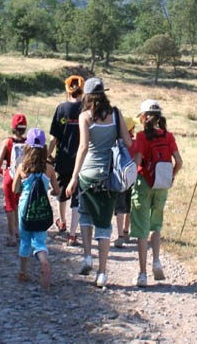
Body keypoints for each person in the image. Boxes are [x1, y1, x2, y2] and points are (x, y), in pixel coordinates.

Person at [66, 77, 133, 287]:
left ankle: (87, 256)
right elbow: (128, 141)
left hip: (88, 174)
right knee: (104, 224)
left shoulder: (85, 116)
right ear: (104, 94)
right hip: (109, 176)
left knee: (85, 216)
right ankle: (102, 273)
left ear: (86, 96)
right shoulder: (116, 114)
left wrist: (74, 176)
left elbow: (84, 147)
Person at [130, 99, 183, 287]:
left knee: (141, 229)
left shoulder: (143, 137)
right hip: (162, 185)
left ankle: (143, 273)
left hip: (144, 183)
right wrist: (170, 178)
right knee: (156, 225)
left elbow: (137, 162)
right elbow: (179, 162)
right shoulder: (168, 136)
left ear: (144, 117)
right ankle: (157, 261)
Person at [13, 128, 60, 289]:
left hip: (25, 207)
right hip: (41, 208)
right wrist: (51, 190)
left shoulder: (22, 167)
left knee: (25, 240)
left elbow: (14, 189)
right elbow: (57, 191)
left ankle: (23, 272)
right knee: (39, 241)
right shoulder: (49, 169)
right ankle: (44, 261)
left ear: (27, 146)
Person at [48, 75, 85, 247]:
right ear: (82, 90)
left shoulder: (61, 108)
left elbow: (54, 138)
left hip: (62, 158)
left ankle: (61, 221)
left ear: (67, 89)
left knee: (61, 192)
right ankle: (72, 234)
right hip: (82, 160)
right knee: (77, 197)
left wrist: (46, 155)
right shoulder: (86, 109)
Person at [0, 113, 28, 247]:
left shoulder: (7, 142)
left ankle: (11, 235)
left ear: (12, 127)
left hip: (9, 176)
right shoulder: (28, 143)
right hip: (23, 177)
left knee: (10, 205)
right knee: (20, 204)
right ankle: (19, 231)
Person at [114, 114, 138, 248]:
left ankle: (120, 235)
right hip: (132, 177)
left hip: (120, 178)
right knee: (129, 206)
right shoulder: (134, 144)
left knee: (120, 207)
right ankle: (126, 231)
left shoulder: (118, 144)